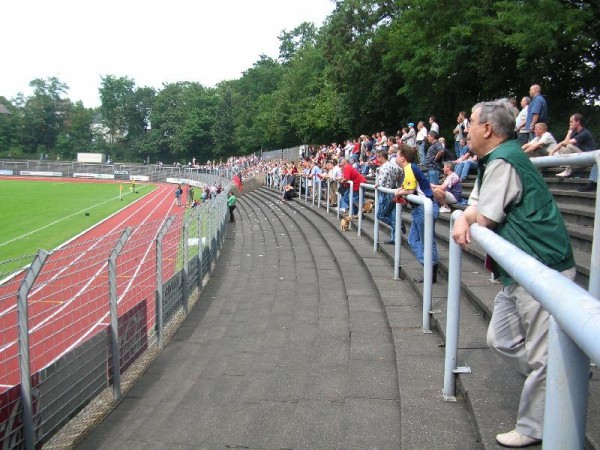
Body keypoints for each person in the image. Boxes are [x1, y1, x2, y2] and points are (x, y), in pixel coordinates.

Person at [452, 99, 575, 448]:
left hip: (542, 268)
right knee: (500, 339)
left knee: (542, 356)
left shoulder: (505, 159)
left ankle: (535, 424)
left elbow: (485, 218)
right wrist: (462, 212)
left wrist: (463, 216)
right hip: (521, 270)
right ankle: (558, 378)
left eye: (470, 123)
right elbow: (476, 207)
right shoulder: (494, 159)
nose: (466, 130)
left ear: (487, 128)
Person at [394, 144, 439, 283]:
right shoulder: (411, 168)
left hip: (423, 208)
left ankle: (430, 268)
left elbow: (409, 189)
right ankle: (430, 267)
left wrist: (398, 192)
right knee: (415, 239)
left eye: (397, 155)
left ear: (403, 158)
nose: (395, 157)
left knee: (425, 242)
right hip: (423, 208)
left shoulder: (409, 168)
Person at [548, 113, 597, 183]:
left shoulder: (585, 133)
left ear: (578, 122)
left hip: (588, 160)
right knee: (561, 148)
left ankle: (568, 169)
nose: (569, 123)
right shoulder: (575, 133)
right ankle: (567, 166)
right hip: (580, 158)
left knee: (569, 146)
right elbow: (563, 143)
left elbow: (566, 143)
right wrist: (551, 152)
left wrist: (569, 131)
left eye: (571, 121)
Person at [374, 149, 404, 244]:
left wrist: (377, 184)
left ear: (381, 157)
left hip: (385, 193)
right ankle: (395, 237)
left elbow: (381, 182)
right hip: (393, 190)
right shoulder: (394, 165)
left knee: (381, 215)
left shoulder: (383, 167)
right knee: (393, 215)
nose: (376, 159)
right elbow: (401, 173)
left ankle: (398, 226)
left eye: (377, 157)